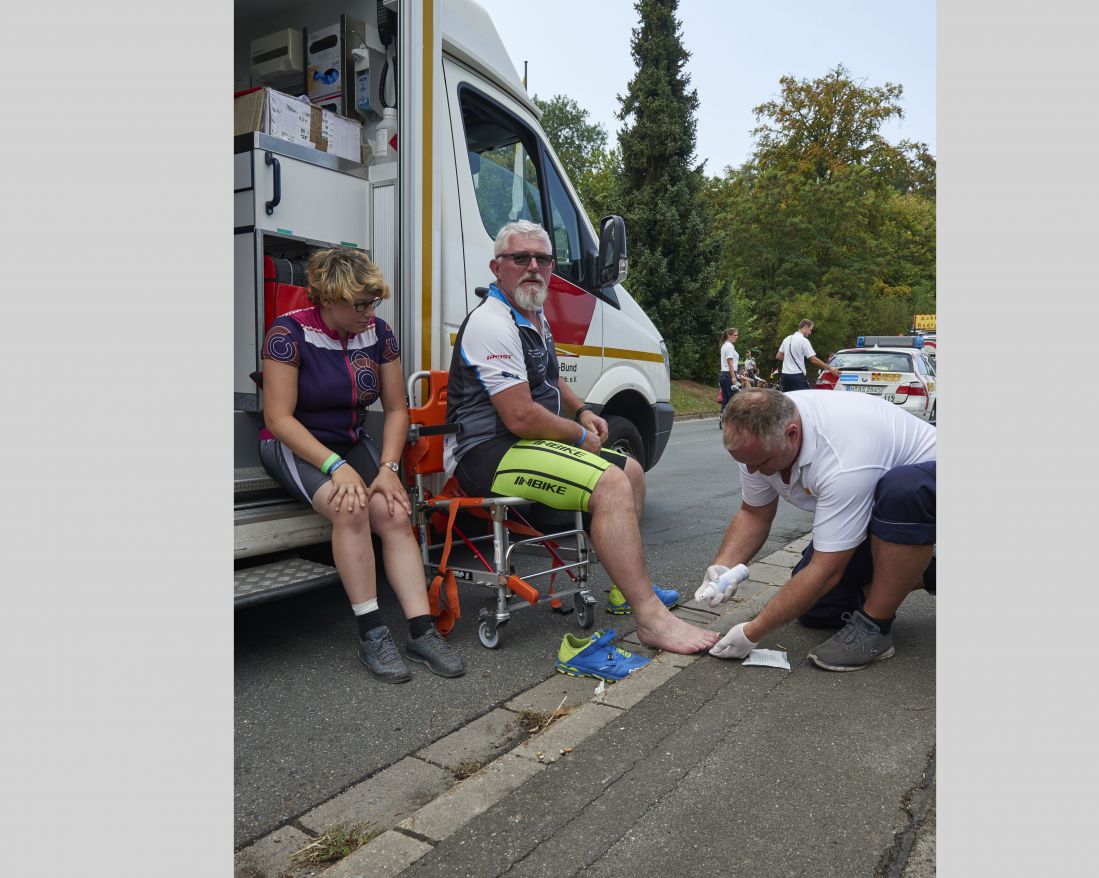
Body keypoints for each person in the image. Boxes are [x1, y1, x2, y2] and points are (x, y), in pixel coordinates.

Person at [443, 219, 719, 655]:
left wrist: (584, 410)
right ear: (497, 267)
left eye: (543, 259)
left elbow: (551, 380)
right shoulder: (491, 322)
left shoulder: (532, 314)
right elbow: (519, 416)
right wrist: (578, 435)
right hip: (487, 453)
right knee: (609, 484)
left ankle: (622, 590)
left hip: (524, 445)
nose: (534, 266)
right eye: (521, 258)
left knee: (631, 470)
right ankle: (651, 620)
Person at [259, 247, 465, 682]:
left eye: (374, 303)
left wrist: (389, 469)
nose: (370, 313)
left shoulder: (379, 333)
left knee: (393, 510)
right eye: (360, 305)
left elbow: (395, 410)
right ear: (328, 300)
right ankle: (372, 633)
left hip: (350, 440)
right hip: (296, 443)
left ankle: (421, 630)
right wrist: (336, 467)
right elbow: (278, 419)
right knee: (349, 506)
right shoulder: (287, 333)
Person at [700, 387, 935, 671]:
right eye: (744, 463)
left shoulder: (843, 457)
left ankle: (876, 626)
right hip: (875, 511)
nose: (752, 472)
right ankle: (922, 569)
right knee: (818, 609)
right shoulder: (759, 442)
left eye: (761, 463)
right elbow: (754, 513)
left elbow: (826, 571)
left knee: (904, 489)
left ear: (792, 433)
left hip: (935, 492)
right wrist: (723, 567)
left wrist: (752, 632)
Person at [775, 319, 839, 392]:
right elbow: (813, 360)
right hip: (796, 376)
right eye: (810, 329)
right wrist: (830, 368)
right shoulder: (803, 340)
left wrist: (790, 360)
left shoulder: (787, 339)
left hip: (785, 376)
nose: (810, 332)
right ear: (805, 327)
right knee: (805, 398)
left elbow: (778, 356)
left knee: (788, 400)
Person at [718, 328, 740, 428]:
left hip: (723, 374)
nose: (736, 337)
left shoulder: (724, 346)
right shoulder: (729, 346)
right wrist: (733, 377)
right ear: (729, 335)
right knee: (734, 398)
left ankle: (722, 419)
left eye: (737, 335)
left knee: (726, 399)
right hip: (728, 375)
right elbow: (730, 362)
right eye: (734, 335)